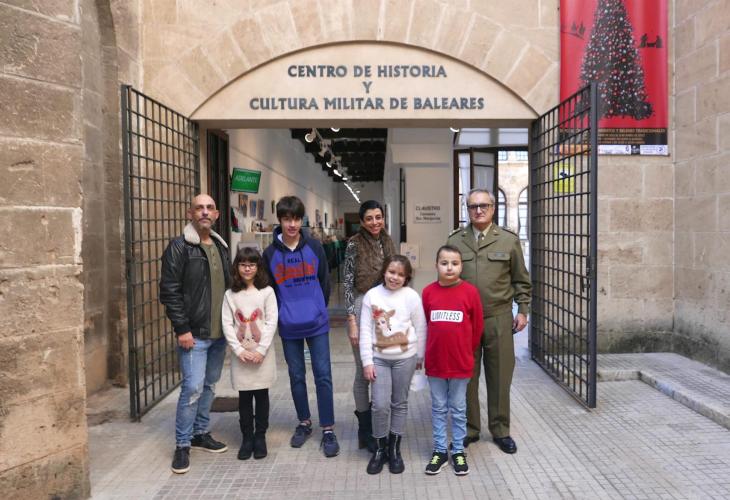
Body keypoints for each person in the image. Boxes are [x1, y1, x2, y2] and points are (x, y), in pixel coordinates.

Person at [446, 188, 531, 454]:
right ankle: (469, 429)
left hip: (498, 318)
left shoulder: (508, 240)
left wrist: (523, 310)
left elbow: (521, 279)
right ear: (467, 210)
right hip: (465, 321)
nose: (478, 210)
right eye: (473, 206)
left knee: (500, 376)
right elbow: (446, 279)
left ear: (493, 208)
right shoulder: (455, 240)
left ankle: (500, 430)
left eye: (484, 205)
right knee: (466, 377)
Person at [262, 196, 340, 457]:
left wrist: (318, 307)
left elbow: (325, 281)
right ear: (280, 220)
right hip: (288, 325)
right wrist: (282, 314)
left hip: (317, 323)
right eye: (287, 219)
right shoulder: (270, 254)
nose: (292, 224)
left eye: (296, 219)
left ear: (301, 220)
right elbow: (269, 290)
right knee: (296, 375)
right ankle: (304, 422)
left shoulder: (315, 247)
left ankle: (327, 428)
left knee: (323, 375)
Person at [159, 194, 231, 474]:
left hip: (219, 334)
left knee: (210, 385)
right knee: (192, 388)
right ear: (190, 213)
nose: (204, 212)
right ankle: (182, 444)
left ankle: (200, 433)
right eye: (199, 208)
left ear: (217, 215)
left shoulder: (221, 246)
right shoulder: (179, 247)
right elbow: (170, 291)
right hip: (195, 334)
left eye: (209, 208)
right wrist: (182, 328)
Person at [359, 255, 426, 475]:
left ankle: (394, 449)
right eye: (391, 272)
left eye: (400, 274)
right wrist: (367, 362)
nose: (394, 277)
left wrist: (420, 357)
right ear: (384, 272)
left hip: (405, 358)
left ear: (406, 278)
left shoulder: (411, 297)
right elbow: (365, 331)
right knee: (379, 405)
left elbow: (421, 327)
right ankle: (380, 449)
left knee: (399, 403)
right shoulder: (372, 295)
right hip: (379, 359)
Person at [422, 245, 484, 476]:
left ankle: (458, 450)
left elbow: (477, 327)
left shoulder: (470, 292)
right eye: (444, 263)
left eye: (454, 263)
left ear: (461, 266)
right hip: (436, 363)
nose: (449, 267)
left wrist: (466, 351)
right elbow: (425, 324)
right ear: (436, 265)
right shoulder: (428, 292)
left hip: (460, 363)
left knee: (458, 409)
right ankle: (440, 450)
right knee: (438, 408)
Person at [343, 200, 396, 450]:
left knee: (382, 367)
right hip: (362, 304)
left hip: (385, 306)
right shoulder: (354, 243)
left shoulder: (388, 241)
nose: (375, 222)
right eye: (369, 218)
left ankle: (379, 426)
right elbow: (346, 283)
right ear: (362, 222)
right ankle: (364, 429)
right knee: (364, 369)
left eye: (378, 217)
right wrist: (351, 321)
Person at [221, 247, 278, 460]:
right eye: (243, 264)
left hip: (262, 355)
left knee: (262, 395)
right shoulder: (230, 294)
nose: (247, 268)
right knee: (244, 397)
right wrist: (238, 350)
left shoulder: (267, 292)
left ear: (258, 267)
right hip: (241, 356)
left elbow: (271, 321)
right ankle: (247, 438)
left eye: (252, 264)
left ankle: (260, 437)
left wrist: (261, 350)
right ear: (237, 267)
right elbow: (227, 323)